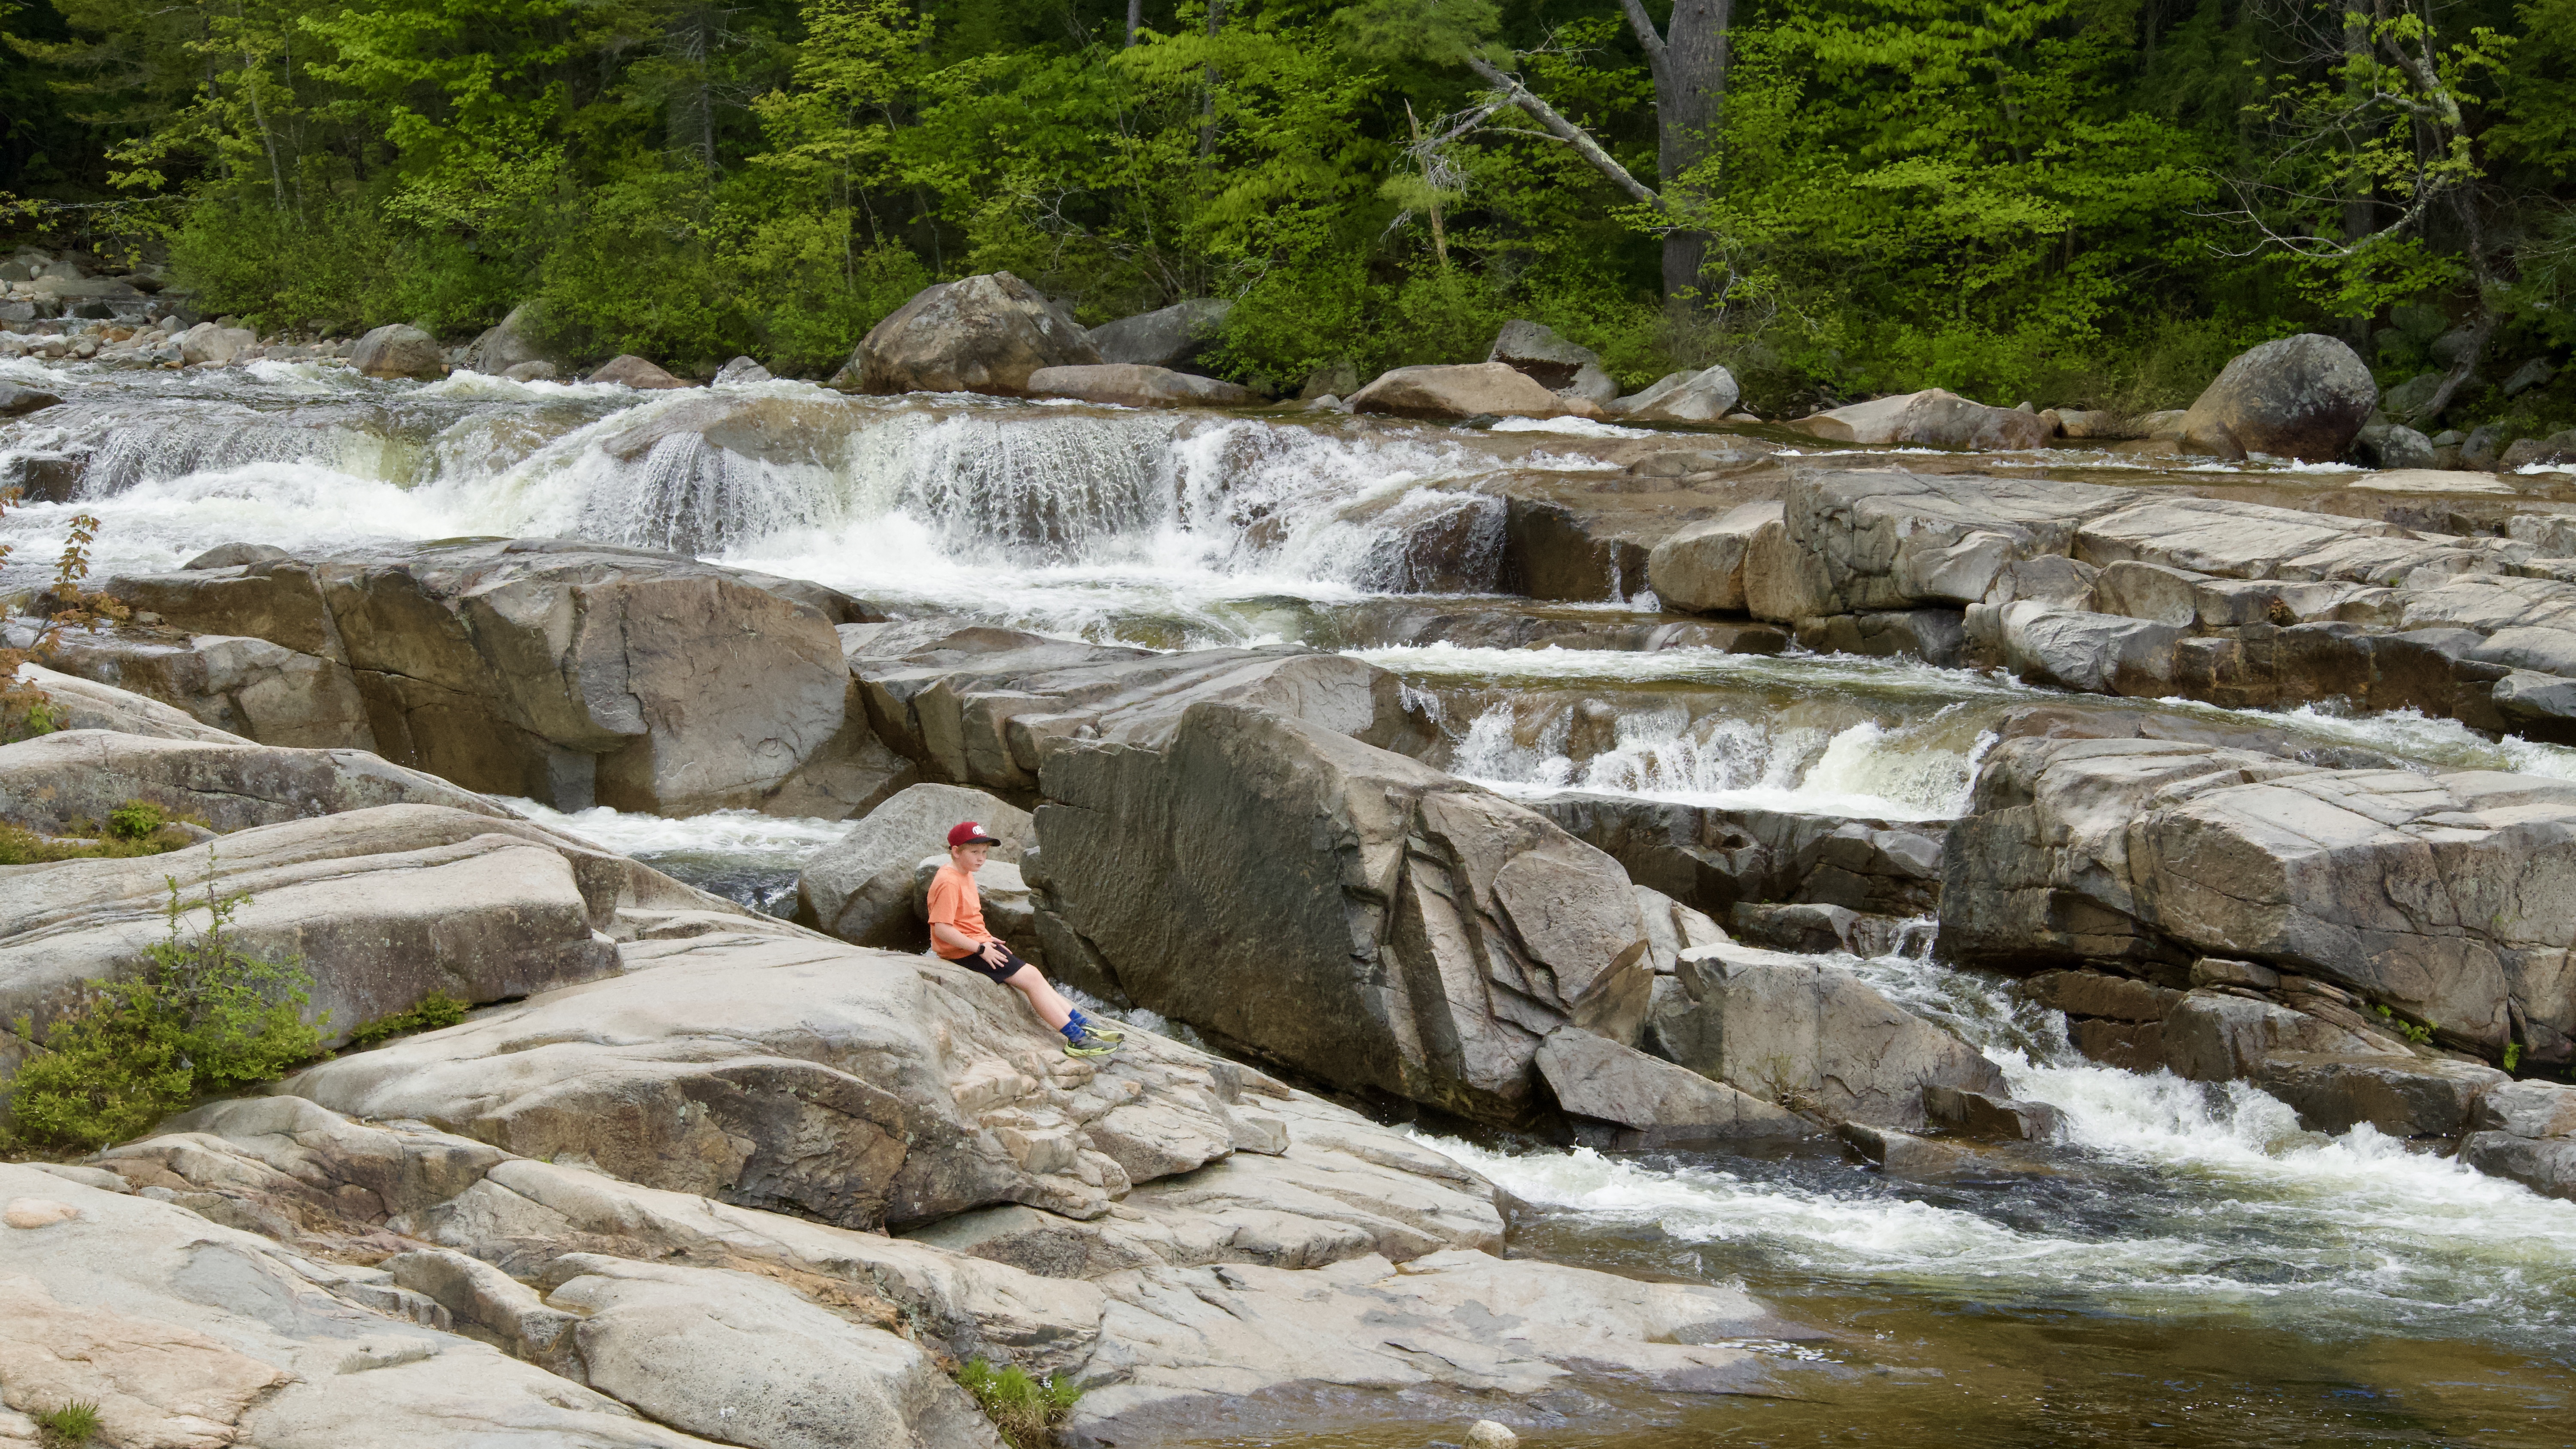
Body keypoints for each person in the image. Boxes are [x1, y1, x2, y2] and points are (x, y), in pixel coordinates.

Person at [927, 820, 1124, 1057]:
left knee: (1034, 974)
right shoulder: (948, 882)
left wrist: (987, 938)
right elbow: (943, 930)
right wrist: (981, 948)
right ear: (956, 851)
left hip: (976, 944)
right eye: (974, 852)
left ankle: (1085, 1027)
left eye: (985, 852)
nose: (981, 858)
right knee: (1030, 979)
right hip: (962, 951)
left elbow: (967, 918)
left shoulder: (965, 874)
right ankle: (1077, 1040)